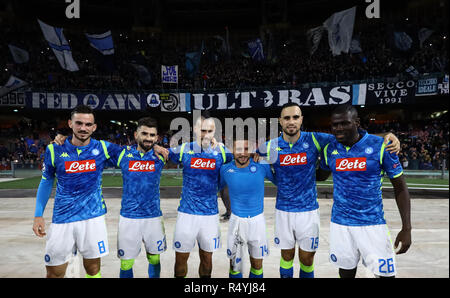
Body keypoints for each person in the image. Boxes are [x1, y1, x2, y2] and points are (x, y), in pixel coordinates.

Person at [258, 102, 401, 278]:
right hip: (282, 210)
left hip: (309, 210)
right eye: (286, 118)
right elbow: (249, 157)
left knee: (307, 258)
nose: (291, 121)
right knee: (286, 256)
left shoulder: (315, 139)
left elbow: (350, 136)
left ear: (301, 119)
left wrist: (386, 136)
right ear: (280, 121)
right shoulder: (269, 146)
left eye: (295, 117)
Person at [52, 117, 168, 278]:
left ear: (156, 138)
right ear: (136, 135)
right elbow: (92, 146)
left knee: (154, 258)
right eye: (144, 133)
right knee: (126, 262)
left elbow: (191, 151)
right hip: (129, 217)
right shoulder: (123, 154)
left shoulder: (162, 156)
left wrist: (157, 147)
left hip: (154, 216)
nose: (148, 138)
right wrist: (65, 140)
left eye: (152, 135)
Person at [318, 104, 411, 278]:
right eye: (335, 124)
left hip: (372, 224)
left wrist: (407, 228)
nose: (338, 128)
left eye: (344, 123)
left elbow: (401, 187)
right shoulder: (330, 149)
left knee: (386, 276)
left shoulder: (382, 146)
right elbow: (320, 175)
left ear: (356, 122)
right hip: (340, 223)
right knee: (345, 272)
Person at [32, 105, 121, 278]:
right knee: (54, 272)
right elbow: (46, 181)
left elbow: (136, 152)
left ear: (94, 127)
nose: (83, 128)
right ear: (70, 124)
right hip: (62, 218)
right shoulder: (54, 149)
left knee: (93, 268)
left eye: (88, 124)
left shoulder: (103, 148)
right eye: (78, 123)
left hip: (93, 217)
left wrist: (155, 147)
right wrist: (38, 215)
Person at [168, 115, 233, 278]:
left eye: (209, 131)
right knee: (181, 258)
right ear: (196, 130)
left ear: (214, 131)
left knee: (207, 259)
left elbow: (241, 161)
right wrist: (155, 147)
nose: (206, 134)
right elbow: (163, 154)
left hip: (210, 215)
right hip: (186, 214)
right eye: (202, 130)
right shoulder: (184, 149)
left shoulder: (223, 152)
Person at [219, 132, 276, 278]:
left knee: (257, 265)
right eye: (238, 149)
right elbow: (212, 189)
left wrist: (271, 161)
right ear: (232, 151)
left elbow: (282, 182)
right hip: (236, 221)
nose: (242, 153)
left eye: (246, 149)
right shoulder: (225, 169)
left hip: (257, 221)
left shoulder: (262, 166)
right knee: (235, 266)